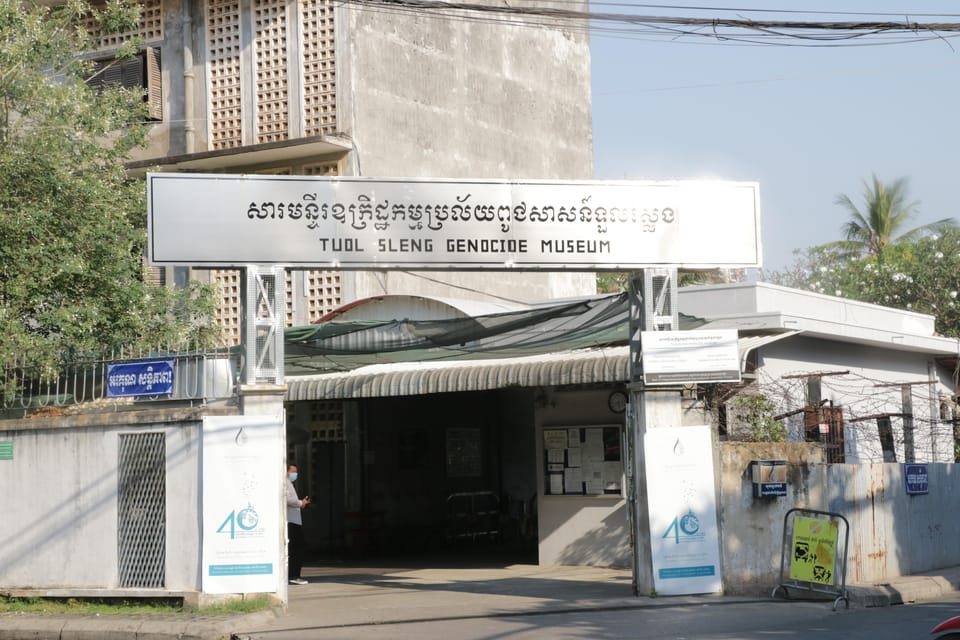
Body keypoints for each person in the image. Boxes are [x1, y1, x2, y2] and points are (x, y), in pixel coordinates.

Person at [286, 464, 310, 585]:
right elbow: (287, 500)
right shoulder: (285, 483)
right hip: (291, 521)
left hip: (294, 520)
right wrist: (301, 503)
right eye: (293, 472)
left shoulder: (289, 484)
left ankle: (293, 574)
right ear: (286, 472)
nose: (295, 475)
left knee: (296, 548)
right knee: (298, 547)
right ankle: (294, 575)